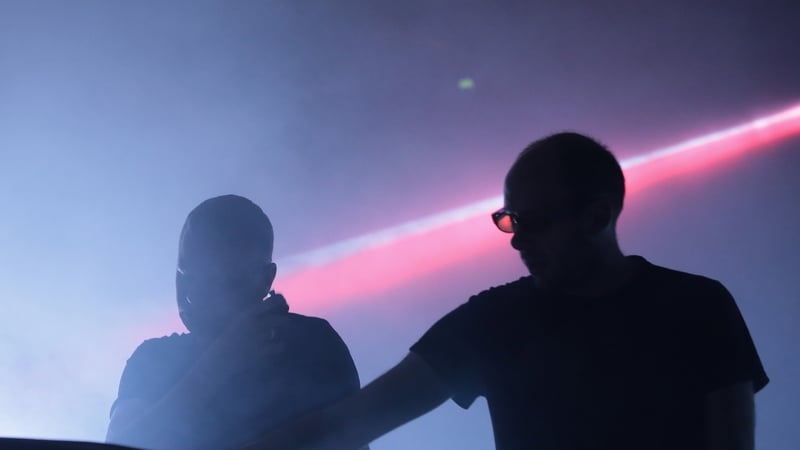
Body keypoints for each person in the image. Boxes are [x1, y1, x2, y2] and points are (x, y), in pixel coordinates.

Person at [242, 132, 769, 450]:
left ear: (597, 216)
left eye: (534, 222)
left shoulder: (698, 308)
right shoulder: (494, 322)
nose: (517, 240)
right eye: (510, 220)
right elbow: (348, 423)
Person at [106, 195, 363, 450]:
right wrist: (217, 366)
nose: (192, 294)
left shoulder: (311, 343)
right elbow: (119, 445)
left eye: (220, 280)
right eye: (186, 276)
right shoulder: (152, 358)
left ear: (266, 279)